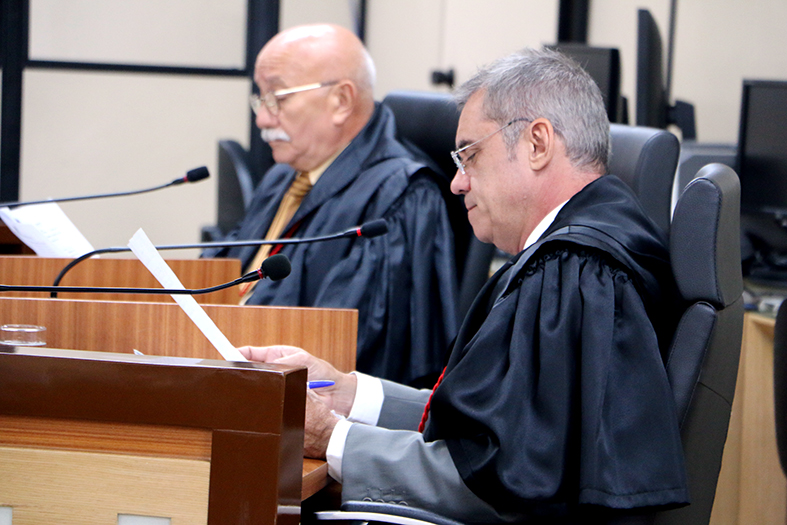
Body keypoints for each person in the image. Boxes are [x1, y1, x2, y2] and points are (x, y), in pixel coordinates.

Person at [240, 47, 689, 523]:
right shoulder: (582, 249)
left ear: (537, 143)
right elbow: (493, 428)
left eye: (470, 155)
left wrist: (332, 438)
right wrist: (349, 396)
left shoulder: (572, 271)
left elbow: (499, 482)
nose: (456, 183)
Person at [204, 24, 458, 387]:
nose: (262, 118)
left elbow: (354, 346)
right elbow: (231, 273)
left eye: (278, 97)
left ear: (341, 101)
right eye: (260, 99)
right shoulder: (284, 176)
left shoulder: (399, 198)